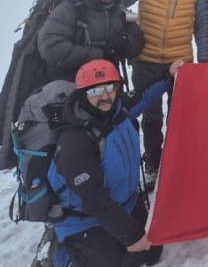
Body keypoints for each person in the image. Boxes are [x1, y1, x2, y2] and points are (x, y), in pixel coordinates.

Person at [48, 58, 183, 267]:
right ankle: (64, 254)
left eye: (110, 87)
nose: (104, 96)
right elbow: (94, 200)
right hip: (85, 219)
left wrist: (168, 75)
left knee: (152, 252)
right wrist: (132, 235)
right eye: (95, 91)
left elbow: (145, 96)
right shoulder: (75, 142)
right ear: (82, 93)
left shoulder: (119, 109)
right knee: (118, 261)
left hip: (126, 203)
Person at [121, 0, 208, 189]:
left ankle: (179, 162)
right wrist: (128, 28)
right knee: (151, 118)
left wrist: (203, 62)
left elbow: (202, 28)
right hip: (145, 62)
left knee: (179, 116)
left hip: (180, 64)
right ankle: (153, 163)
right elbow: (114, 6)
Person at [38, 0, 145, 81]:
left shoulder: (118, 11)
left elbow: (137, 41)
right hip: (69, 87)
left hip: (108, 87)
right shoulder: (71, 8)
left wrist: (126, 41)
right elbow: (51, 47)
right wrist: (100, 53)